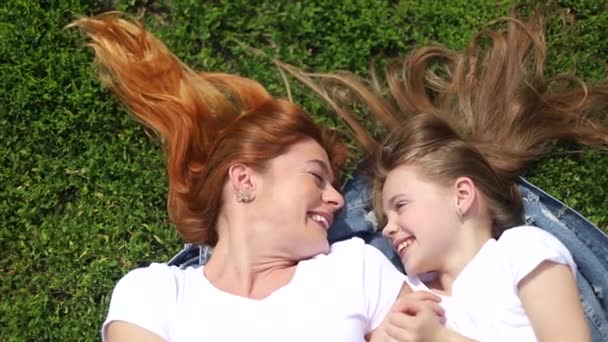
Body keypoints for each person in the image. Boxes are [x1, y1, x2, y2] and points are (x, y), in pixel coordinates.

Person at [68, 12, 419, 342]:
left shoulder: (355, 268)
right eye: (316, 176)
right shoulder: (154, 294)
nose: (337, 199)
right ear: (245, 180)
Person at [280, 9, 608, 342]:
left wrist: (439, 338)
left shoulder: (520, 250)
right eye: (384, 218)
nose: (388, 228)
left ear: (462, 195)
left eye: (401, 205)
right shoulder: (409, 300)